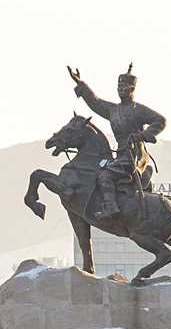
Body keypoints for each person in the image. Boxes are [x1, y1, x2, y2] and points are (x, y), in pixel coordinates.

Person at [69, 63, 165, 220]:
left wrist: (143, 135)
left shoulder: (138, 110)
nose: (120, 90)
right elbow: (95, 102)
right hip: (120, 154)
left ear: (132, 89)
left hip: (134, 154)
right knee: (97, 172)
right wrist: (80, 83)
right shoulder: (113, 110)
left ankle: (111, 208)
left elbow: (160, 120)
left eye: (124, 87)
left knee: (105, 176)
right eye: (118, 87)